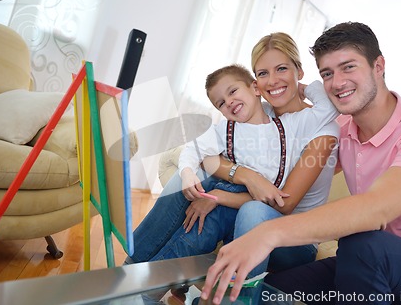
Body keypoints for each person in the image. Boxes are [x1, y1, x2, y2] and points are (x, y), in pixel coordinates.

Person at [201, 22, 401, 305]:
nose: (337, 82)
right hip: (365, 262)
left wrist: (268, 233)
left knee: (360, 241)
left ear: (378, 66)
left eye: (349, 67)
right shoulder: (339, 129)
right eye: (327, 74)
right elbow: (283, 166)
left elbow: (376, 209)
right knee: (271, 292)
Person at [125, 33, 339, 269]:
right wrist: (246, 176)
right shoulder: (258, 111)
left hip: (292, 231)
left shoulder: (315, 125)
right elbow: (205, 155)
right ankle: (133, 264)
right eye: (263, 73)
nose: (273, 81)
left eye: (282, 69)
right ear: (256, 84)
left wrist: (217, 199)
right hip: (246, 198)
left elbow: (283, 203)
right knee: (189, 180)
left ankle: (223, 292)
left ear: (298, 70)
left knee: (252, 211)